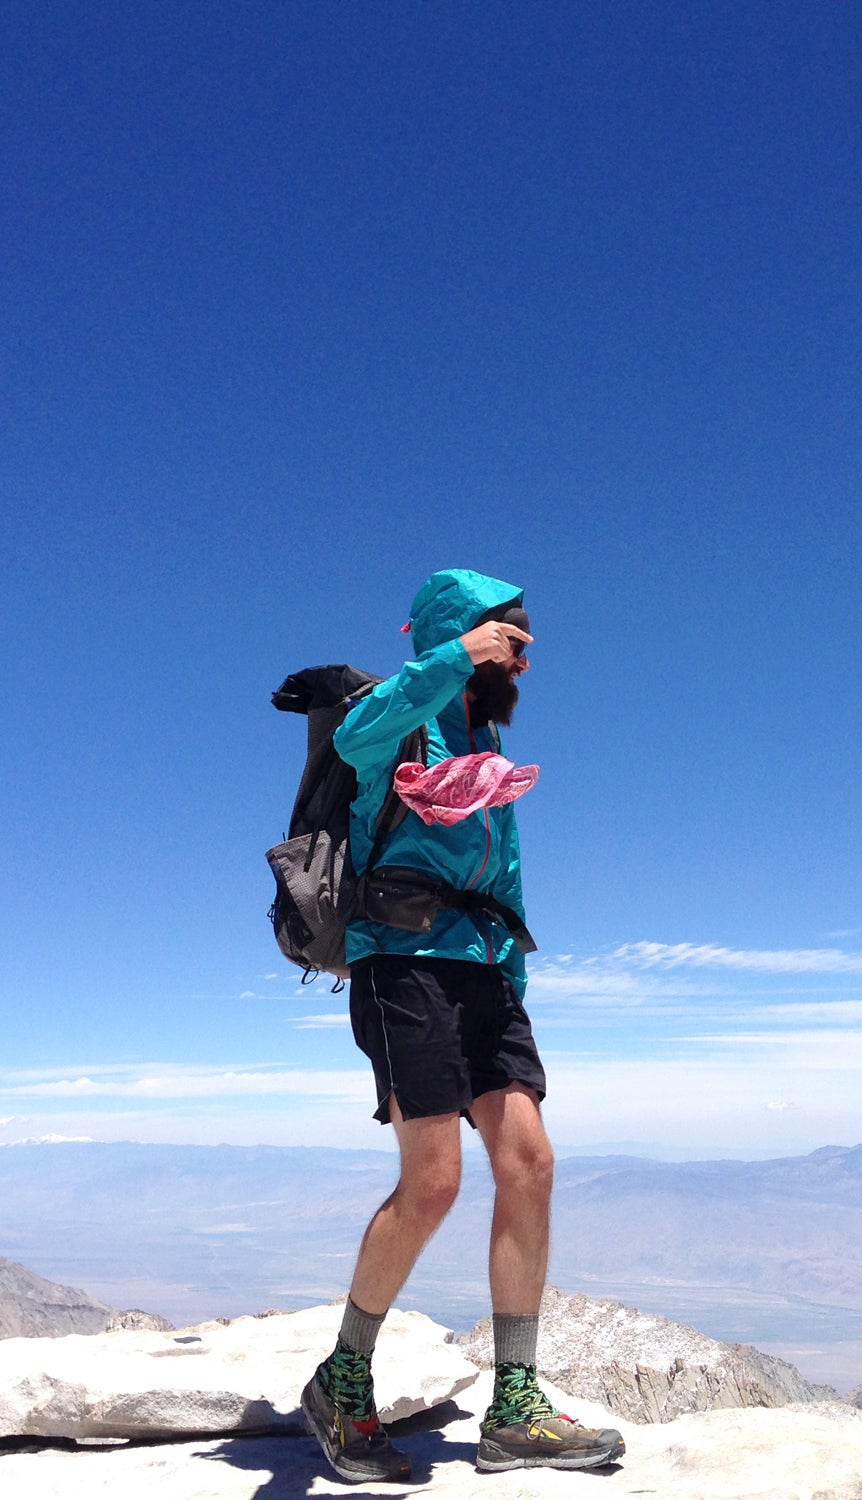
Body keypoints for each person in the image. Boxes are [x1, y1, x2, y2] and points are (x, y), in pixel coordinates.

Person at [299, 569, 625, 1482]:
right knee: (433, 1181)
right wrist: (451, 656)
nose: (523, 657)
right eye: (510, 640)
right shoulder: (398, 711)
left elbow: (501, 877)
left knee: (531, 1162)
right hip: (403, 966)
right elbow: (358, 743)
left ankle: (516, 1404)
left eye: (524, 643)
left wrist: (512, 982)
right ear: (469, 638)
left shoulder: (482, 738)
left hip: (485, 973)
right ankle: (344, 1379)